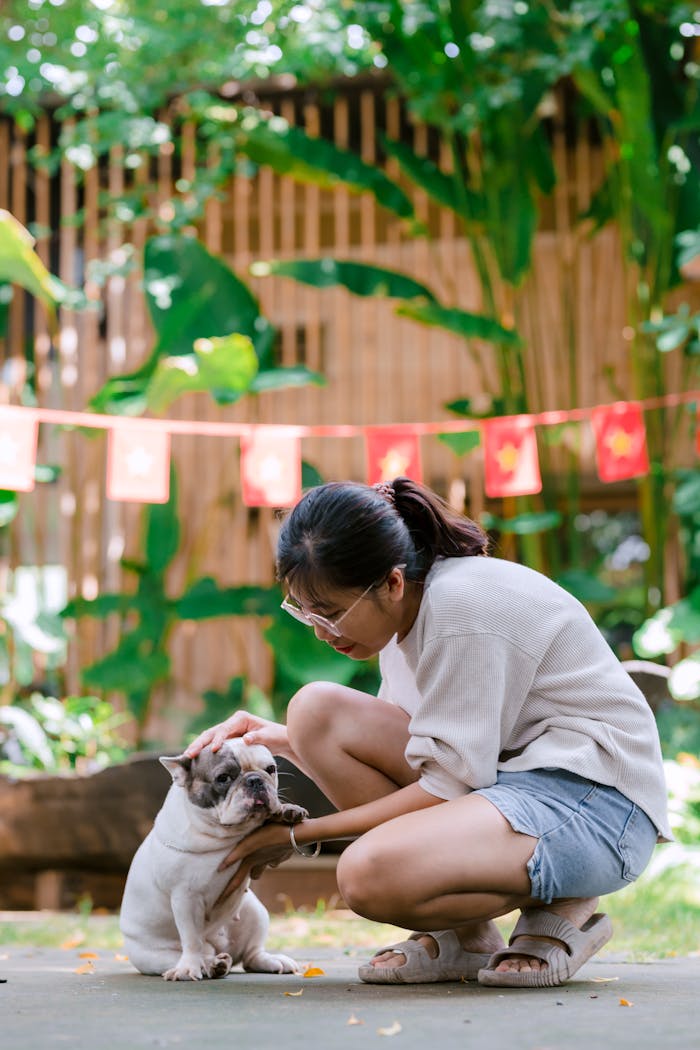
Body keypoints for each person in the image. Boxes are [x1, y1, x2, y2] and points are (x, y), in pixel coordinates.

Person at [186, 477, 671, 987]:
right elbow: (425, 759)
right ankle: (468, 936)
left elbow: (443, 787)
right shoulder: (406, 616)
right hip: (512, 783)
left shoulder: (460, 608)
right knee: (314, 711)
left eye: (330, 613)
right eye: (305, 612)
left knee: (366, 875)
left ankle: (566, 900)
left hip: (594, 803)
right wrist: (273, 741)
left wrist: (294, 835)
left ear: (391, 582)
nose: (320, 632)